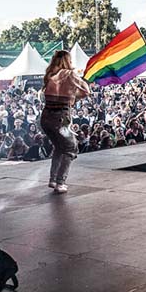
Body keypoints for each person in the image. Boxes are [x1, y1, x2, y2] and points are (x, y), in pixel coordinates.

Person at [41, 50, 90, 194]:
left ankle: (53, 179)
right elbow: (86, 90)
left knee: (59, 147)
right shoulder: (70, 74)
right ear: (67, 61)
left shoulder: (50, 75)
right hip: (61, 118)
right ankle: (60, 182)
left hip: (45, 117)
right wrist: (75, 95)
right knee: (71, 148)